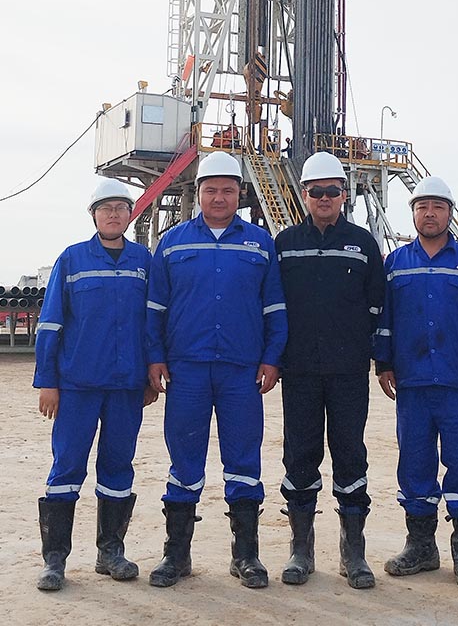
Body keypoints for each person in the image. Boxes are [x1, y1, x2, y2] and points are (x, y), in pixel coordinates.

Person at [146, 151, 287, 590]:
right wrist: (155, 357)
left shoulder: (260, 243)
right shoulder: (172, 243)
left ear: (240, 194)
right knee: (184, 460)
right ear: (199, 193)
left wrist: (272, 357)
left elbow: (275, 308)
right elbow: (154, 309)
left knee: (243, 460)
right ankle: (176, 555)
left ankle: (246, 556)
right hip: (186, 369)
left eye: (228, 190)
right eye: (211, 190)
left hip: (241, 371)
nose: (219, 197)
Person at [374, 176, 458, 589]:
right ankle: (421, 547)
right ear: (413, 213)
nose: (429, 214)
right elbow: (385, 318)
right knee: (414, 462)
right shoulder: (396, 264)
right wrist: (383, 362)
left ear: (450, 212)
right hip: (411, 383)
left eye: (438, 207)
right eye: (422, 207)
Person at [34, 178, 153, 592]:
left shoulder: (144, 261)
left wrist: (150, 375)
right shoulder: (72, 259)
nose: (114, 214)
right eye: (106, 209)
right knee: (67, 467)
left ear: (130, 214)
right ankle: (55, 560)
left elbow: (152, 323)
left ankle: (110, 552)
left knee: (118, 466)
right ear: (94, 215)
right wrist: (47, 381)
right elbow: (51, 323)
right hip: (77, 385)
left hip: (126, 385)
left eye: (121, 208)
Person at [275, 151, 386, 589]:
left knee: (350, 453)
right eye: (316, 191)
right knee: (300, 455)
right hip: (299, 370)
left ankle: (353, 553)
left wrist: (362, 347)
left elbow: (377, 303)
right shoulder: (285, 244)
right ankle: (301, 550)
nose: (324, 198)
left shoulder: (363, 244)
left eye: (332, 191)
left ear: (344, 194)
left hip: (348, 371)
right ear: (304, 194)